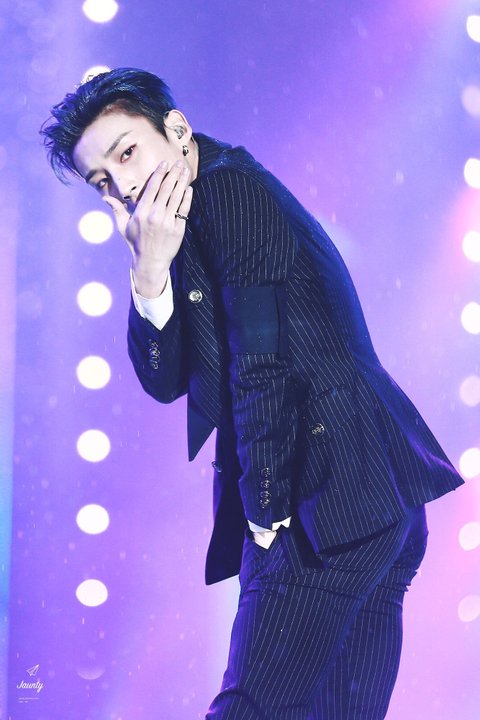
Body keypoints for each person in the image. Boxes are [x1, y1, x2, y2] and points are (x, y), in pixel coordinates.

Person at [41, 67, 463, 719]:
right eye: (101, 181)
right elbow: (163, 380)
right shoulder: (181, 218)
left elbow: (260, 363)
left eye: (127, 153)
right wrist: (148, 269)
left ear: (177, 130)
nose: (122, 186)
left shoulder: (228, 189)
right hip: (372, 499)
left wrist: (265, 511)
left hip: (326, 498)